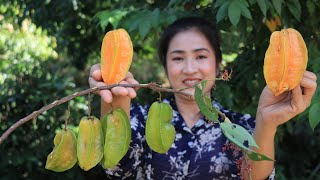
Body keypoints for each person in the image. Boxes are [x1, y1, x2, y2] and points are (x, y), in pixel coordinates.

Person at [89, 16, 317, 179]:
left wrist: (267, 122)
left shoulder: (244, 126)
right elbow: (116, 168)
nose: (189, 69)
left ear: (218, 64)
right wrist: (113, 92)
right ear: (165, 66)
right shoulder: (138, 118)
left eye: (200, 56)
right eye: (178, 58)